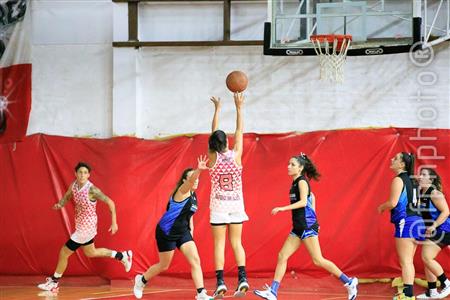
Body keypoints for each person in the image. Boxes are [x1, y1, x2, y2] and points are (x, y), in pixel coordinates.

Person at [254, 153, 358, 300]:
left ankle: (349, 282)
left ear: (301, 168)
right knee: (282, 256)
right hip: (298, 227)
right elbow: (311, 199)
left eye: (292, 165)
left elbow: (303, 202)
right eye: (288, 164)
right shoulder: (295, 183)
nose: (288, 167)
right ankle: (273, 291)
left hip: (307, 227)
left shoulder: (302, 182)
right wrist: (316, 220)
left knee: (318, 260)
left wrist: (283, 209)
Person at [38, 162, 132, 292]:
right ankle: (122, 256)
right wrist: (60, 205)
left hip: (87, 227)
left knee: (64, 252)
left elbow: (110, 202)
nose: (82, 175)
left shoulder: (92, 190)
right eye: (80, 172)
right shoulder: (74, 185)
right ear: (75, 174)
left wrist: (114, 222)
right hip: (80, 224)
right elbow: (67, 196)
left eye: (85, 173)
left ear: (88, 175)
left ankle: (54, 282)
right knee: (91, 252)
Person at [133, 156, 213, 300]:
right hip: (166, 232)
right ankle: (141, 280)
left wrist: (191, 233)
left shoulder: (194, 196)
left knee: (195, 260)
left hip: (183, 232)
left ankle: (201, 293)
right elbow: (191, 180)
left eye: (197, 178)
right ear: (185, 181)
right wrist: (198, 170)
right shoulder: (182, 192)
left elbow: (190, 215)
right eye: (192, 178)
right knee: (164, 265)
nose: (195, 180)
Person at [208, 93, 249, 298]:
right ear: (227, 142)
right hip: (236, 205)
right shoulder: (237, 154)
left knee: (219, 245)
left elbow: (214, 131)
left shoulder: (212, 157)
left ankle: (220, 282)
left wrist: (217, 109)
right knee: (237, 243)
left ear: (212, 144)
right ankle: (242, 278)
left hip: (218, 207)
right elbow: (239, 130)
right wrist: (239, 107)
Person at [378, 152, 425, 300]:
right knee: (408, 261)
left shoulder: (399, 180)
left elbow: (393, 202)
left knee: (406, 262)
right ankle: (407, 290)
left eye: (396, 158)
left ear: (402, 164)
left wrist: (381, 207)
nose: (392, 159)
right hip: (418, 222)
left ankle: (408, 295)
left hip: (406, 222)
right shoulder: (414, 181)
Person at [416, 168, 450, 299]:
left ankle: (446, 283)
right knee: (427, 260)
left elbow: (446, 211)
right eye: (419, 174)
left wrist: (434, 225)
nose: (420, 177)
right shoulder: (420, 193)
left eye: (423, 175)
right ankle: (432, 292)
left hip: (444, 229)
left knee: (426, 257)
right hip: (433, 231)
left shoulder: (434, 193)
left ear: (431, 179)